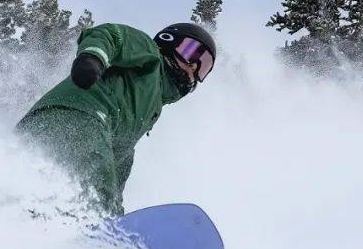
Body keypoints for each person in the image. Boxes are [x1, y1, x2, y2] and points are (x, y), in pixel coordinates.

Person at [16, 22, 216, 217]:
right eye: (191, 52)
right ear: (169, 41)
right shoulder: (150, 54)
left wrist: (116, 215)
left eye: (203, 67)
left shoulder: (150, 109)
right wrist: (92, 58)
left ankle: (25, 218)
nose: (193, 66)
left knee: (94, 199)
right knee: (94, 201)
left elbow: (116, 159)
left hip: (51, 128)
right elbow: (112, 35)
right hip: (78, 114)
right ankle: (92, 229)